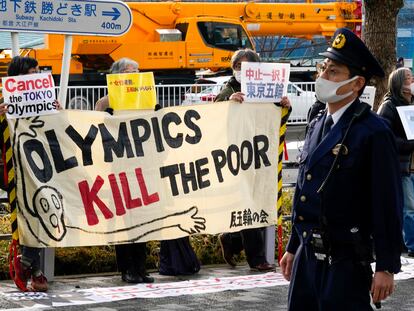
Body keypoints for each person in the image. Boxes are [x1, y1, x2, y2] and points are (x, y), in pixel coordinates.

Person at [280, 28, 403, 310]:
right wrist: (293, 245)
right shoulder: (316, 123)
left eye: (333, 71)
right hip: (307, 257)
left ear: (356, 83)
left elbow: (386, 202)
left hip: (345, 261)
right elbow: (304, 189)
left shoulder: (373, 132)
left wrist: (386, 265)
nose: (323, 76)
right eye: (323, 68)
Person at [214, 48, 290, 271]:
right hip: (238, 155)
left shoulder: (267, 88)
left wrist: (284, 105)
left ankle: (232, 240)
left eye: (244, 67)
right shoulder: (229, 88)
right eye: (236, 67)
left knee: (258, 203)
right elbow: (215, 112)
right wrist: (228, 100)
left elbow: (274, 116)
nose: (239, 71)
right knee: (250, 203)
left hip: (262, 156)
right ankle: (256, 259)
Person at [95, 57, 154, 284]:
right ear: (117, 75)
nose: (135, 74)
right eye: (130, 71)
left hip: (142, 166)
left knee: (143, 218)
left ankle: (141, 267)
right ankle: (127, 269)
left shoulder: (146, 98)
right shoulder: (105, 101)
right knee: (124, 219)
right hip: (118, 166)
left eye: (138, 70)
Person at [3, 56, 55, 292]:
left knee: (39, 214)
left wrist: (59, 113)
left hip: (40, 168)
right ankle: (33, 270)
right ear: (17, 78)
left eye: (37, 71)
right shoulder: (4, 102)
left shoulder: (45, 101)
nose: (35, 75)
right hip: (13, 170)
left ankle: (27, 266)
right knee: (31, 215)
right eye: (29, 72)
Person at [378, 67, 414, 257]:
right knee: (409, 207)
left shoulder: (411, 102)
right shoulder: (389, 106)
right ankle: (410, 244)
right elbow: (386, 137)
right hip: (402, 166)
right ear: (399, 82)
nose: (412, 79)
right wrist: (409, 143)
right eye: (408, 77)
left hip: (410, 165)